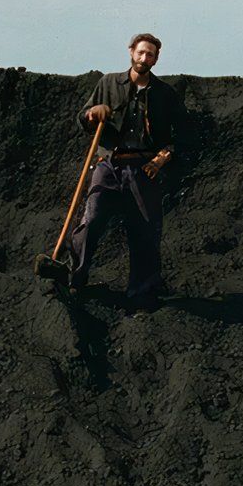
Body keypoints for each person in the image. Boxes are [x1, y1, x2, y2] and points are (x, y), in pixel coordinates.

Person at [64, 32, 186, 307]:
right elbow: (82, 118)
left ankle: (141, 292)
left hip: (144, 168)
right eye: (141, 52)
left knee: (145, 228)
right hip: (109, 164)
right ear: (131, 52)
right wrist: (93, 112)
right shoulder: (108, 83)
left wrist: (163, 157)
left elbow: (181, 133)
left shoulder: (164, 94)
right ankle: (74, 280)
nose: (145, 58)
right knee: (91, 220)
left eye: (151, 54)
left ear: (156, 59)